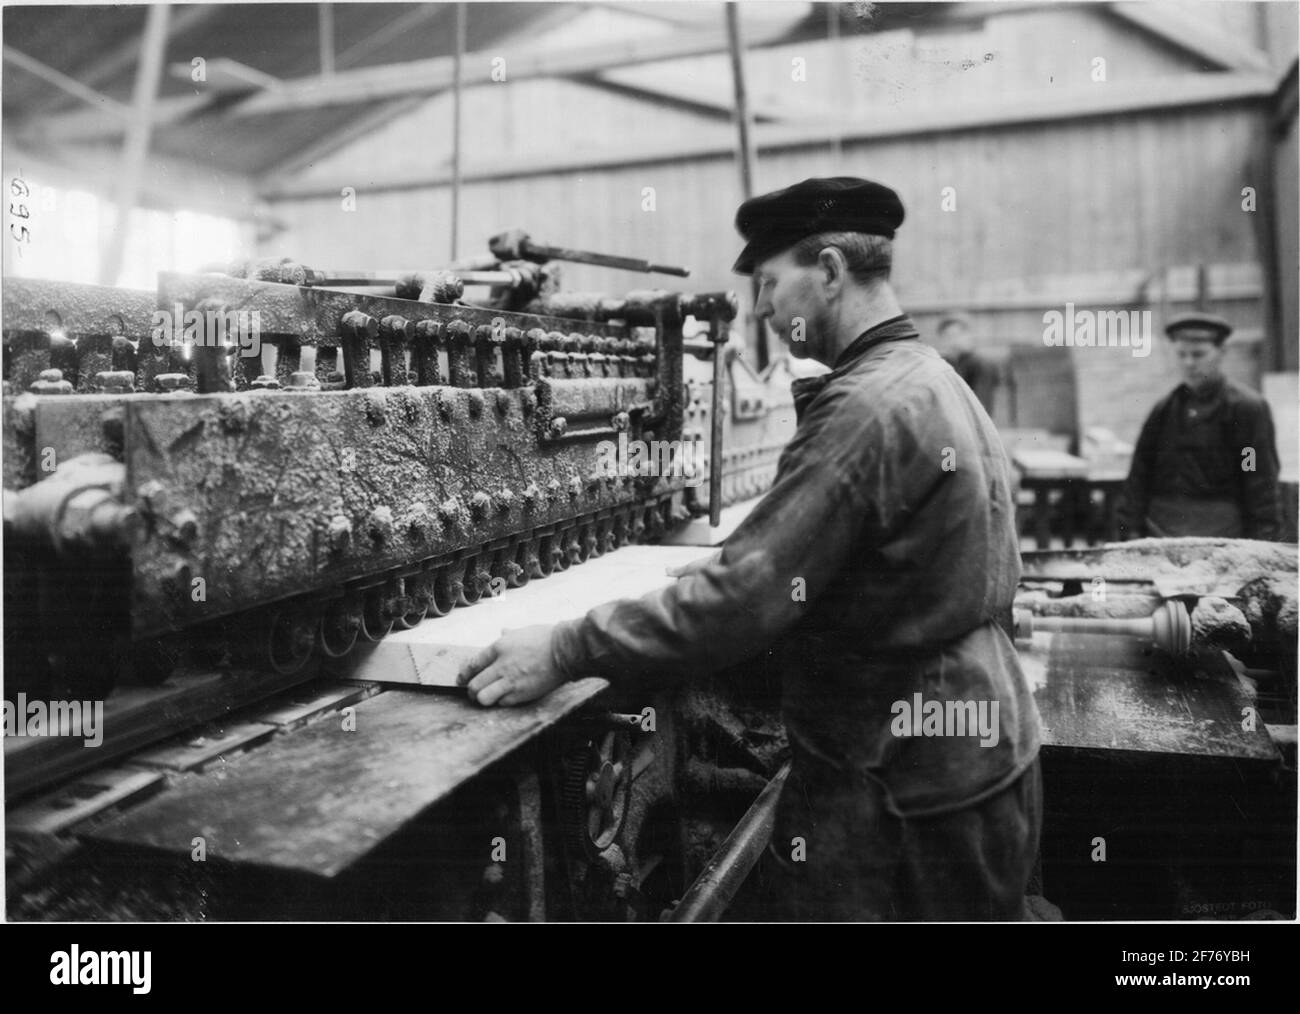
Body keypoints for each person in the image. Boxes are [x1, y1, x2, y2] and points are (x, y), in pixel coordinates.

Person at [457, 177, 1043, 921]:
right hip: (972, 737)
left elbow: (745, 601)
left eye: (769, 282)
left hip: (904, 771)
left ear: (829, 270)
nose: (762, 307)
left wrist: (566, 647)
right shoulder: (927, 379)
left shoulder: (864, 407)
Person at [1119, 313, 1281, 540]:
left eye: (1198, 354)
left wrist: (1263, 538)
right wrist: (1131, 530)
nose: (1189, 363)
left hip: (1223, 532)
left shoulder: (1245, 410)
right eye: (1181, 354)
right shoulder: (1163, 411)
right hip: (1162, 530)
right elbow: (1140, 473)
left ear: (1221, 353)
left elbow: (1254, 473)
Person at [934, 311, 999, 415]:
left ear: (968, 336)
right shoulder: (940, 364)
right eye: (948, 336)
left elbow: (982, 403)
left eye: (957, 335)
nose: (953, 341)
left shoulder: (981, 364)